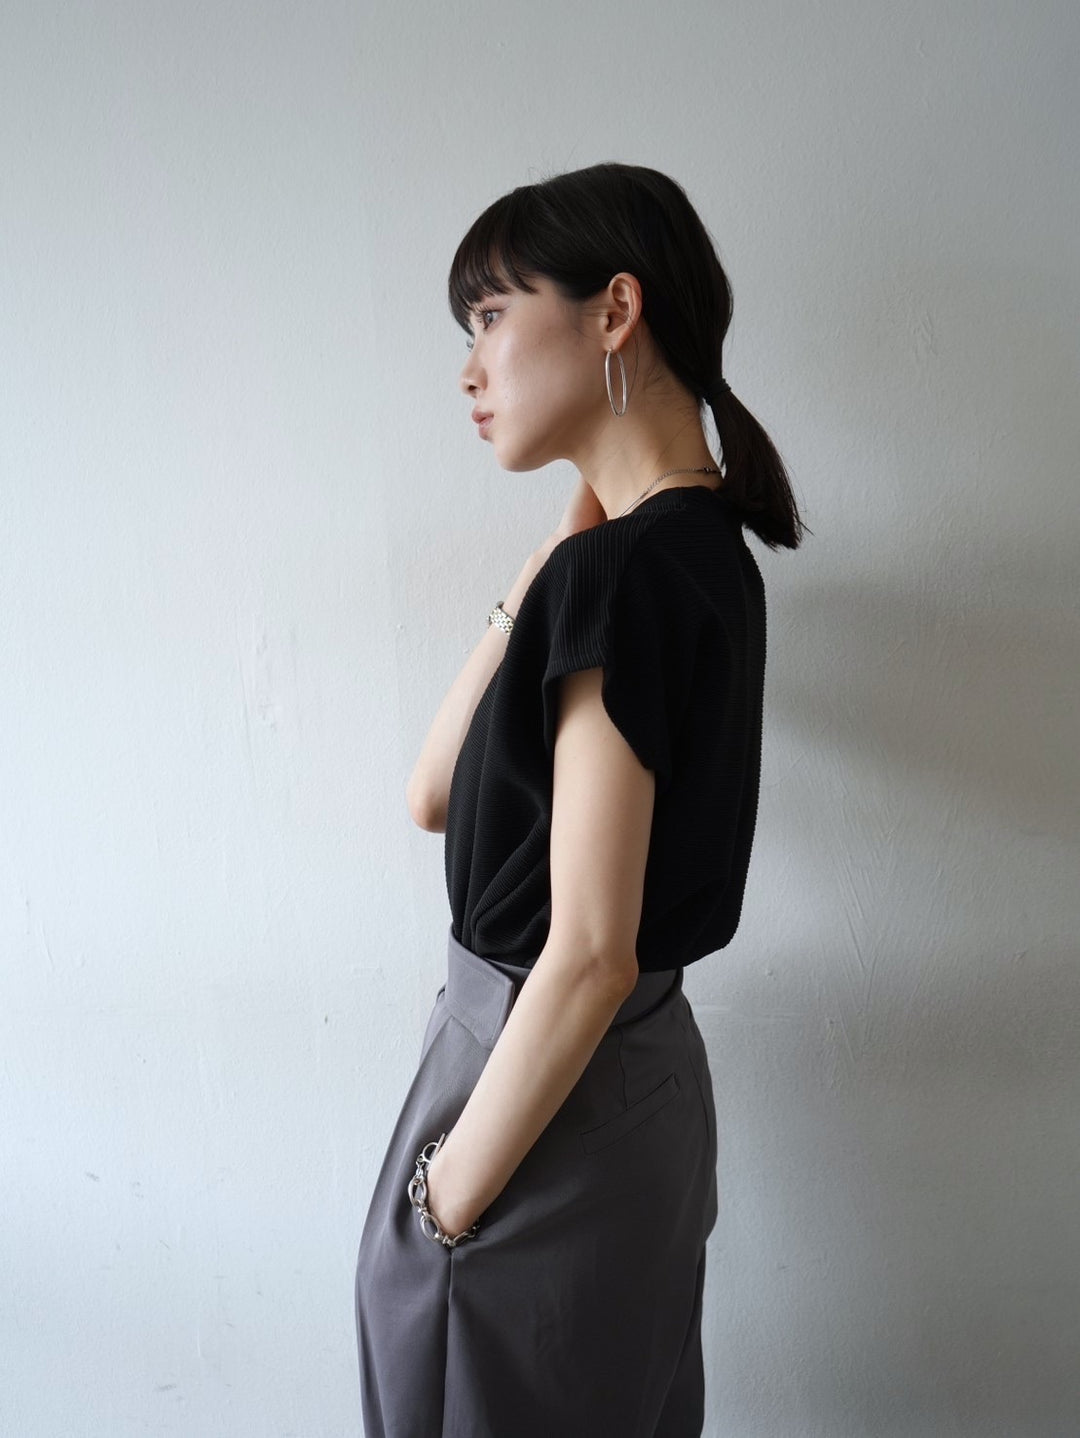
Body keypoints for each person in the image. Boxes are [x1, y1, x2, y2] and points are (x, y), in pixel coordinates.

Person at [353, 161, 807, 1438]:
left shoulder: (623, 578)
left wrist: (446, 1200)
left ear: (616, 309)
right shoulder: (697, 555)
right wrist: (558, 551)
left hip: (536, 1076)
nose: (469, 368)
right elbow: (433, 792)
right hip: (636, 1087)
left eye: (492, 316)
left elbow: (591, 952)